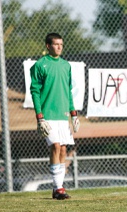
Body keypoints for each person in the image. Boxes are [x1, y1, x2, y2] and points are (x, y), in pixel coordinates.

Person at [30, 33, 80, 200]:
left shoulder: (66, 65)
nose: (59, 47)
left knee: (64, 149)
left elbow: (68, 92)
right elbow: (35, 92)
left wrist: (73, 115)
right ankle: (59, 188)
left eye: (61, 44)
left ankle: (58, 187)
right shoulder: (40, 65)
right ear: (47, 46)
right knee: (55, 146)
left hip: (63, 115)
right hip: (48, 115)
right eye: (56, 44)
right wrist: (40, 117)